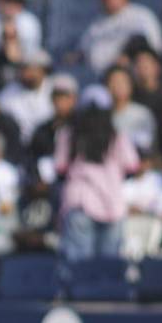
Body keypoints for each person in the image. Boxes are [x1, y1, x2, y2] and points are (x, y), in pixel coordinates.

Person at [55, 104, 139, 262]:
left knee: (80, 267)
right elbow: (132, 165)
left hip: (81, 204)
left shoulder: (69, 133)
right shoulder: (116, 135)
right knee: (107, 269)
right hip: (111, 205)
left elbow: (60, 167)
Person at [79, 0, 162, 72]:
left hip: (130, 76)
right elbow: (82, 51)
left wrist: (129, 56)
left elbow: (151, 48)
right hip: (99, 76)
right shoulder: (96, 23)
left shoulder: (140, 15)